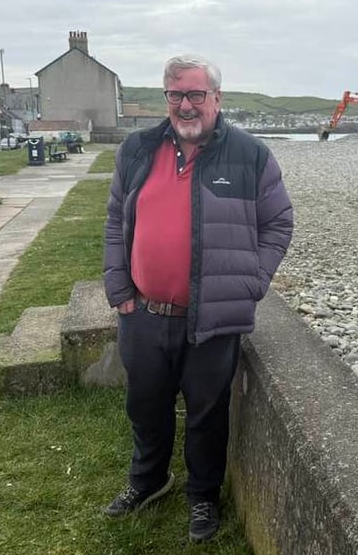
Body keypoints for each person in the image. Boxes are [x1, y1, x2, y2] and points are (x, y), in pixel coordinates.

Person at [102, 54, 294, 543]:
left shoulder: (250, 155)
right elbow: (114, 222)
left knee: (208, 415)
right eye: (175, 95)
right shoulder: (138, 150)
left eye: (195, 95)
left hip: (212, 318)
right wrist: (119, 287)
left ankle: (203, 497)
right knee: (145, 406)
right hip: (143, 313)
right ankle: (147, 482)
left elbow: (278, 223)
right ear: (165, 98)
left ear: (216, 99)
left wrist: (252, 283)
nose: (185, 105)